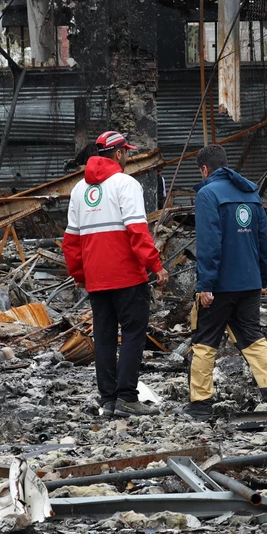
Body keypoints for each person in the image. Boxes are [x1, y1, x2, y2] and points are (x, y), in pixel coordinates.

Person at [63, 130, 169, 418]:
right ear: (119, 153)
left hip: (97, 279)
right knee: (134, 334)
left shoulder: (78, 190)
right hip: (127, 277)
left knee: (105, 337)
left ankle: (108, 399)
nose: (128, 156)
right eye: (127, 152)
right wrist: (155, 266)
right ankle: (126, 397)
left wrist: (79, 273)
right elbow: (137, 231)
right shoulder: (126, 184)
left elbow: (71, 240)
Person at [185, 144, 267, 419]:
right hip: (249, 283)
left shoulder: (207, 194)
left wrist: (205, 284)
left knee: (205, 342)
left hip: (220, 286)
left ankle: (200, 406)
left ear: (205, 170)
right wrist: (263, 277)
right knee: (253, 338)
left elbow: (209, 243)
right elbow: (263, 240)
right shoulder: (250, 194)